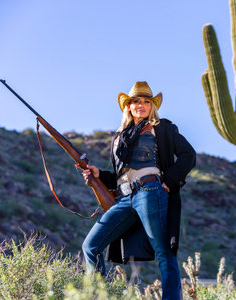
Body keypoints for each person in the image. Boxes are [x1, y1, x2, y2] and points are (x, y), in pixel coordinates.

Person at [80, 81, 196, 299]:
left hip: (151, 191)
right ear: (129, 106)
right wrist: (99, 175)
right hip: (124, 198)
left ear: (152, 105)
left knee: (163, 251)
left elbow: (189, 155)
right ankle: (98, 295)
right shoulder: (120, 137)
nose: (141, 105)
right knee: (91, 246)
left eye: (146, 101)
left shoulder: (162, 128)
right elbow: (119, 175)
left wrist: (168, 181)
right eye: (136, 101)